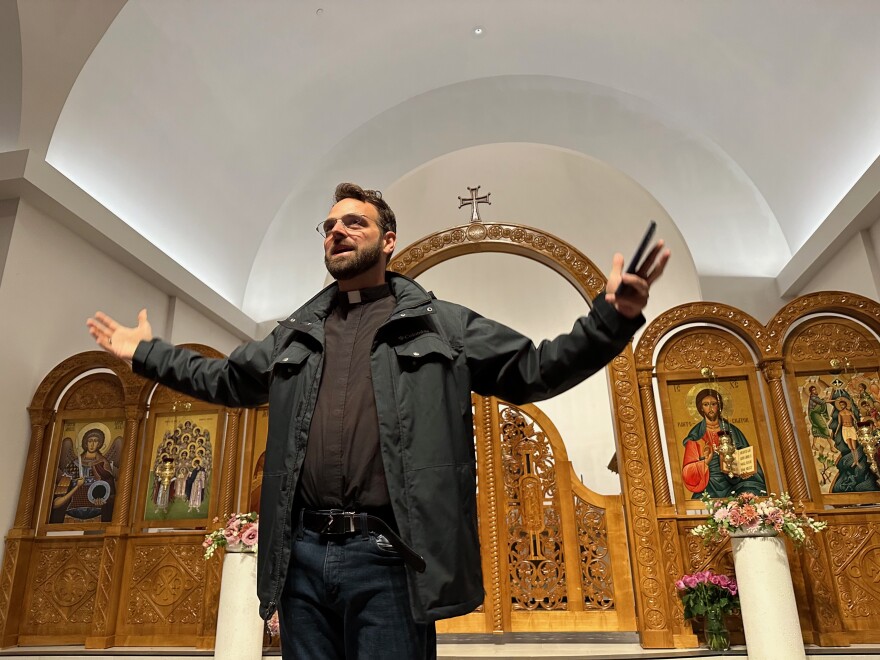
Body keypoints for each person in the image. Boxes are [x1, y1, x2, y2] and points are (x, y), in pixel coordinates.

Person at [87, 183, 669, 659]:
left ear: (388, 241)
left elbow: (536, 368)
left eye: (354, 223)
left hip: (387, 554)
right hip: (303, 556)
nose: (337, 231)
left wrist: (611, 320)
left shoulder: (441, 324)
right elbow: (226, 380)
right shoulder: (297, 333)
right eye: (329, 226)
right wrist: (147, 353)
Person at [681, 388, 766, 498]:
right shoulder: (695, 435)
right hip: (709, 482)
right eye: (706, 404)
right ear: (701, 408)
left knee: (751, 493)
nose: (710, 408)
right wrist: (706, 461)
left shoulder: (732, 431)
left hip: (735, 480)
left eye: (714, 404)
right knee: (701, 500)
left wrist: (742, 466)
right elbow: (688, 471)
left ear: (719, 406)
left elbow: (746, 456)